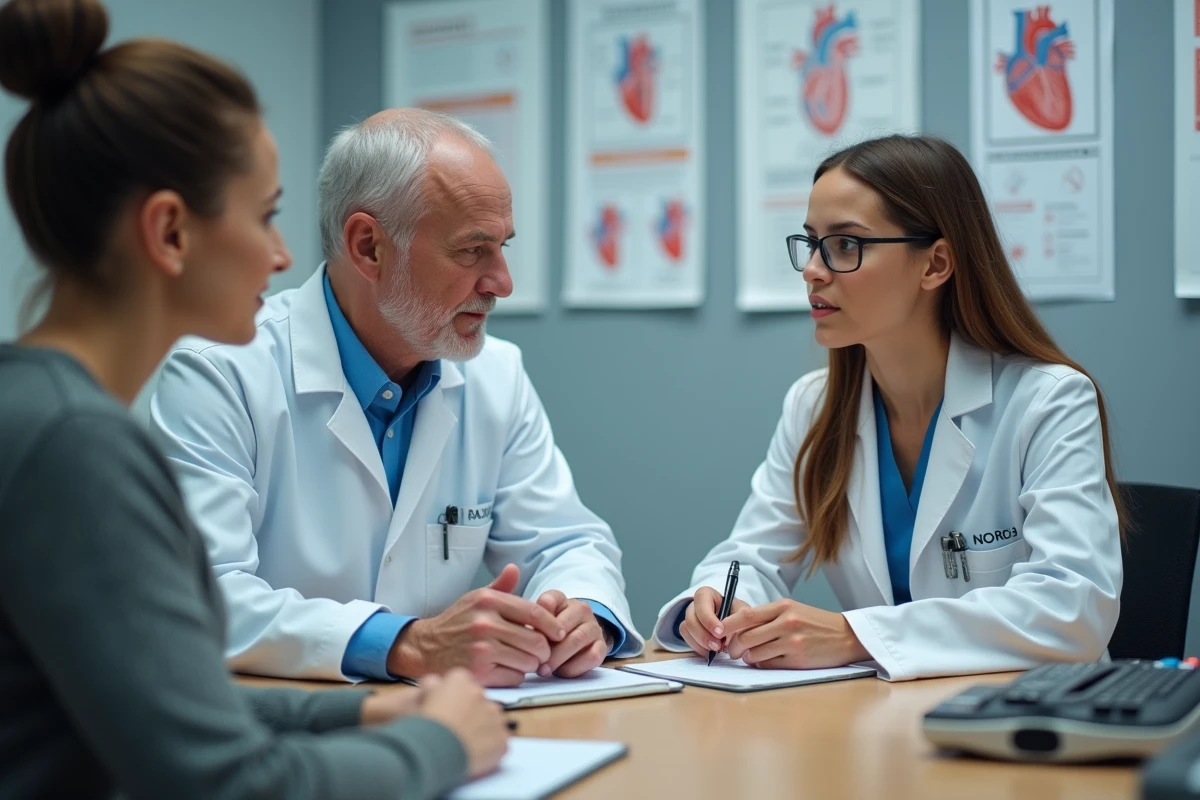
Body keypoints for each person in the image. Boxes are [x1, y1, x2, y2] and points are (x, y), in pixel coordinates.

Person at [0, 1, 508, 797]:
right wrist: (440, 744)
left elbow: (166, 699)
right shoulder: (74, 448)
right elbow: (232, 784)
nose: (281, 255)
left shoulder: (39, 410)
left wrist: (356, 714)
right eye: (266, 216)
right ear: (170, 233)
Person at [148, 108, 643, 686]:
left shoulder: (496, 375)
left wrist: (583, 612)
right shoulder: (219, 371)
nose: (502, 283)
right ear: (369, 247)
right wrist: (405, 644)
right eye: (472, 250)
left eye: (503, 246)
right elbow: (204, 596)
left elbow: (567, 540)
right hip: (280, 723)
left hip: (448, 720)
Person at [654, 135, 1124, 681]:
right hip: (886, 715)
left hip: (1034, 714)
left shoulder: (1049, 401)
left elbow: (1073, 607)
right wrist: (716, 602)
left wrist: (854, 636)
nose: (812, 270)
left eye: (845, 244)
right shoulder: (814, 406)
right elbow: (753, 555)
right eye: (812, 244)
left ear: (935, 264)